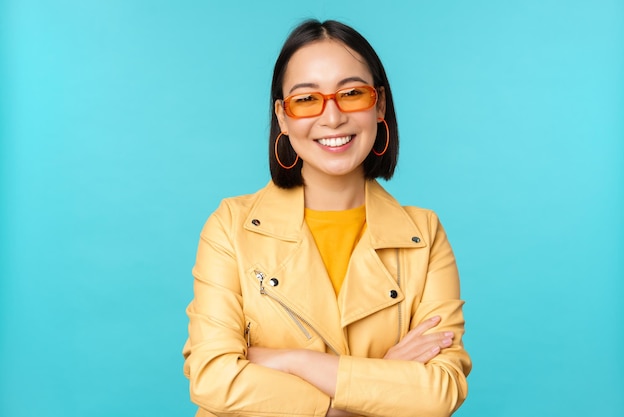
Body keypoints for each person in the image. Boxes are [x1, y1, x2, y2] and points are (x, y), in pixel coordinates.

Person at [183, 19, 471, 417]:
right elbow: (213, 378)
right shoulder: (231, 227)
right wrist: (377, 383)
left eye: (352, 93)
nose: (332, 118)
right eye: (306, 99)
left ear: (380, 104)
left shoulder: (422, 235)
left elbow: (440, 392)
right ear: (283, 117)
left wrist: (292, 362)